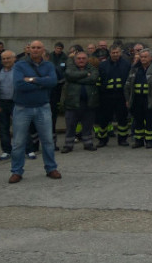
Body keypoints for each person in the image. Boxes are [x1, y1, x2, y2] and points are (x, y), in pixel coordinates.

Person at [9, 40, 61, 183]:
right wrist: (42, 82)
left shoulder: (49, 65)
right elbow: (19, 85)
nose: (36, 50)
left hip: (42, 107)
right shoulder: (20, 65)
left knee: (48, 141)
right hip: (22, 108)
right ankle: (16, 171)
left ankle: (51, 168)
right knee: (19, 142)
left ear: (43, 50)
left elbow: (53, 82)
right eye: (33, 47)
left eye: (38, 48)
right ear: (28, 49)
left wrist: (31, 79)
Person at [61, 51, 99, 153]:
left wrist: (76, 79)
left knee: (88, 125)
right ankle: (68, 145)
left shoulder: (92, 69)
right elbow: (69, 75)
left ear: (87, 59)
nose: (81, 60)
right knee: (70, 125)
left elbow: (94, 78)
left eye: (83, 58)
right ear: (75, 60)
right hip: (72, 103)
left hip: (89, 102)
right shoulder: (70, 68)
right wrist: (86, 74)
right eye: (79, 58)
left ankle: (88, 144)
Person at [96, 45, 132, 147]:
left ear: (120, 53)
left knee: (122, 118)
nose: (115, 54)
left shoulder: (126, 64)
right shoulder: (103, 65)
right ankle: (102, 139)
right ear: (110, 53)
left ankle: (122, 139)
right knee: (104, 119)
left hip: (121, 96)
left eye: (117, 52)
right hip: (106, 96)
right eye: (113, 52)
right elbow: (99, 81)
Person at [125, 48, 152, 149]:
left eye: (145, 57)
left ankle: (149, 140)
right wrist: (128, 99)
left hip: (149, 99)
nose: (143, 59)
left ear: (151, 58)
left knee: (150, 120)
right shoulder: (135, 69)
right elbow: (128, 85)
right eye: (141, 57)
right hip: (137, 99)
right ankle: (138, 140)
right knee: (138, 120)